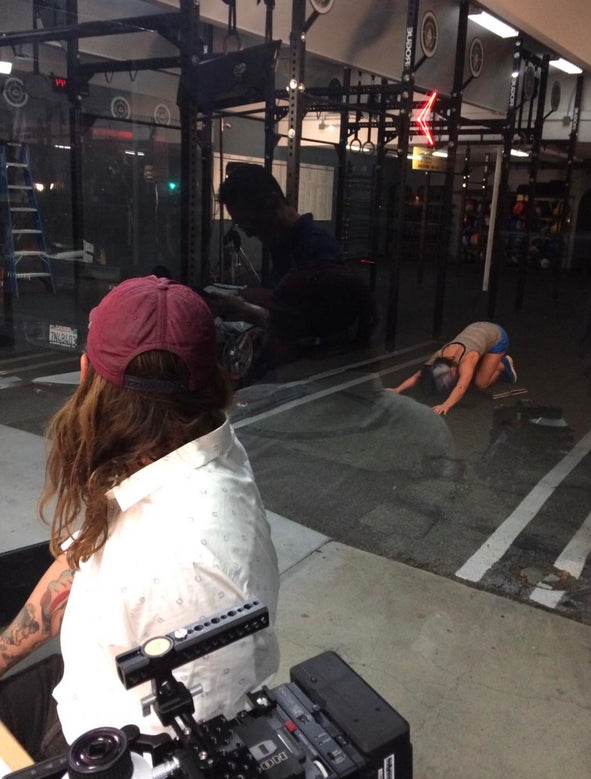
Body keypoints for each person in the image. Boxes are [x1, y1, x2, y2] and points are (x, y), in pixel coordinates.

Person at [0, 275, 279, 759]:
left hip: (109, 747)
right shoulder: (165, 451)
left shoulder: (192, 570)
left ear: (86, 375)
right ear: (212, 381)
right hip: (86, 683)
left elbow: (192, 751)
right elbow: (81, 563)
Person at [212, 164, 376, 362]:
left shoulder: (316, 247)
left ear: (272, 203)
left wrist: (249, 312)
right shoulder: (285, 243)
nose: (248, 232)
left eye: (250, 221)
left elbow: (315, 330)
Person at [390, 321, 517, 415]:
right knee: (474, 373)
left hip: (497, 336)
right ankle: (487, 364)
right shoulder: (440, 354)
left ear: (453, 369)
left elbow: (461, 387)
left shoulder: (467, 360)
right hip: (476, 328)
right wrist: (397, 389)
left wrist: (446, 405)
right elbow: (419, 374)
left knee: (480, 383)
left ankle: (503, 364)